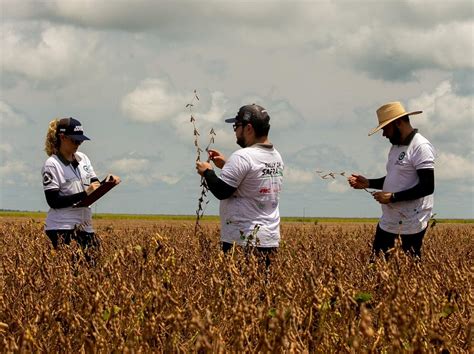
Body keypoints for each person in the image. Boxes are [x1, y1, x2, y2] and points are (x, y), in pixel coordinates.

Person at [195, 104, 284, 265]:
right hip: (269, 239)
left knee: (238, 288)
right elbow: (253, 178)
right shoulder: (275, 156)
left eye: (236, 126)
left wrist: (207, 172)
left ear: (248, 128)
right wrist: (227, 165)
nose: (235, 132)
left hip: (243, 239)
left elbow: (222, 191)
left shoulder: (243, 156)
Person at [348, 101, 435, 259]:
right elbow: (394, 178)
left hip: (410, 224)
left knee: (408, 273)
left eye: (385, 128)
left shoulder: (420, 147)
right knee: (376, 267)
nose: (384, 134)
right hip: (389, 221)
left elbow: (427, 186)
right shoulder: (395, 147)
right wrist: (369, 183)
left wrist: (393, 197)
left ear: (398, 123)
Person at [42, 117, 120, 252]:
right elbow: (53, 201)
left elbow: (93, 183)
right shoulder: (52, 164)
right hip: (61, 228)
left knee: (95, 267)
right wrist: (85, 193)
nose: (78, 144)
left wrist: (107, 182)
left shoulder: (83, 158)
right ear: (62, 137)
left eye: (81, 140)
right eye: (75, 140)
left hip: (85, 226)